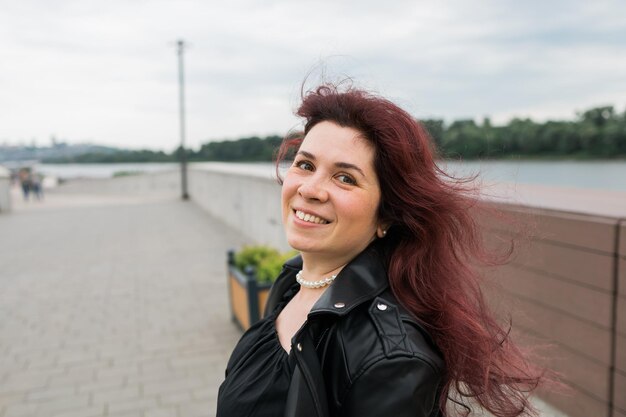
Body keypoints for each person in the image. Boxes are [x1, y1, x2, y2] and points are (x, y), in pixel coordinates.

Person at [217, 83, 546, 417]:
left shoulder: (392, 359)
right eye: (305, 165)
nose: (311, 189)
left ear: (386, 215)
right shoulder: (293, 281)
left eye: (345, 178)